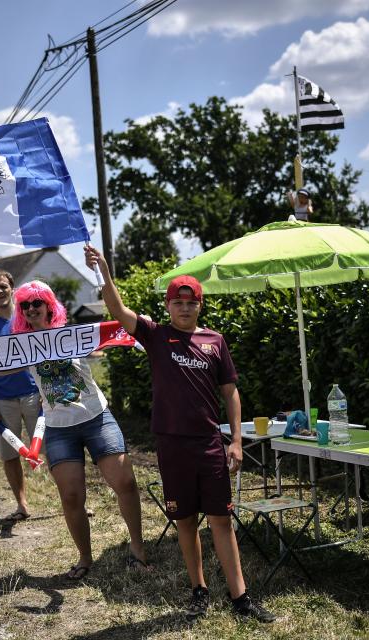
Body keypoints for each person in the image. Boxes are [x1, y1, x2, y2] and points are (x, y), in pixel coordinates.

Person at [85, 244, 275, 624]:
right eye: (178, 302)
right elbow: (118, 311)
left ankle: (240, 597)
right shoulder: (155, 336)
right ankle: (198, 591)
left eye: (192, 302)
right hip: (171, 447)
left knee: (221, 520)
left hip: (209, 446)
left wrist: (236, 440)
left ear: (200, 306)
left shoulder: (215, 342)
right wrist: (104, 271)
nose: (185, 308)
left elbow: (231, 393)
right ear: (169, 306)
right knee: (185, 521)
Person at [9, 279, 149, 579]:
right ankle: (85, 559)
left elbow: (117, 329)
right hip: (59, 430)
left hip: (97, 418)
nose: (31, 308)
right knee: (71, 497)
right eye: (25, 305)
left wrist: (145, 327)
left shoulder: (72, 335)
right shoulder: (19, 345)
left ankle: (138, 549)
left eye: (37, 302)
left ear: (49, 305)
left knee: (125, 482)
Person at [0, 270, 44, 522]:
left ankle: (73, 500)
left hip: (36, 395)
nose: (0, 291)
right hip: (3, 401)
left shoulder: (27, 316)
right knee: (10, 455)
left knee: (56, 450)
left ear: (12, 288)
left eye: (3, 286)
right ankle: (22, 505)